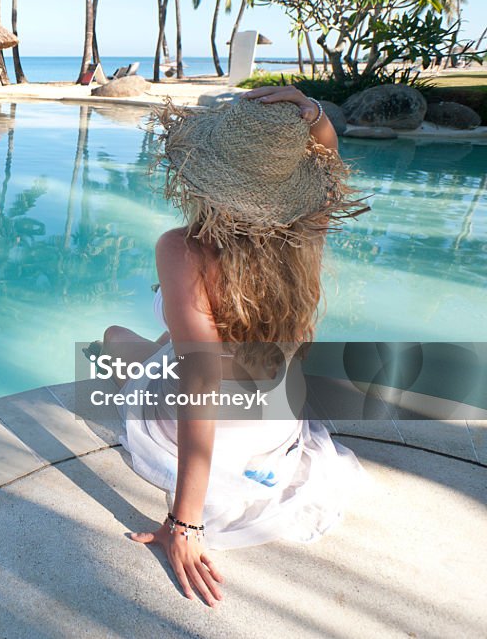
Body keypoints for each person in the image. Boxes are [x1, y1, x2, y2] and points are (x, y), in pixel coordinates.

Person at [104, 85, 369, 607]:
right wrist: (311, 113)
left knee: (112, 341)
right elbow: (332, 160)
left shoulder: (184, 248)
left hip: (215, 430)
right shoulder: (305, 229)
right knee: (169, 341)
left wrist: (186, 521)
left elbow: (200, 382)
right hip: (270, 426)